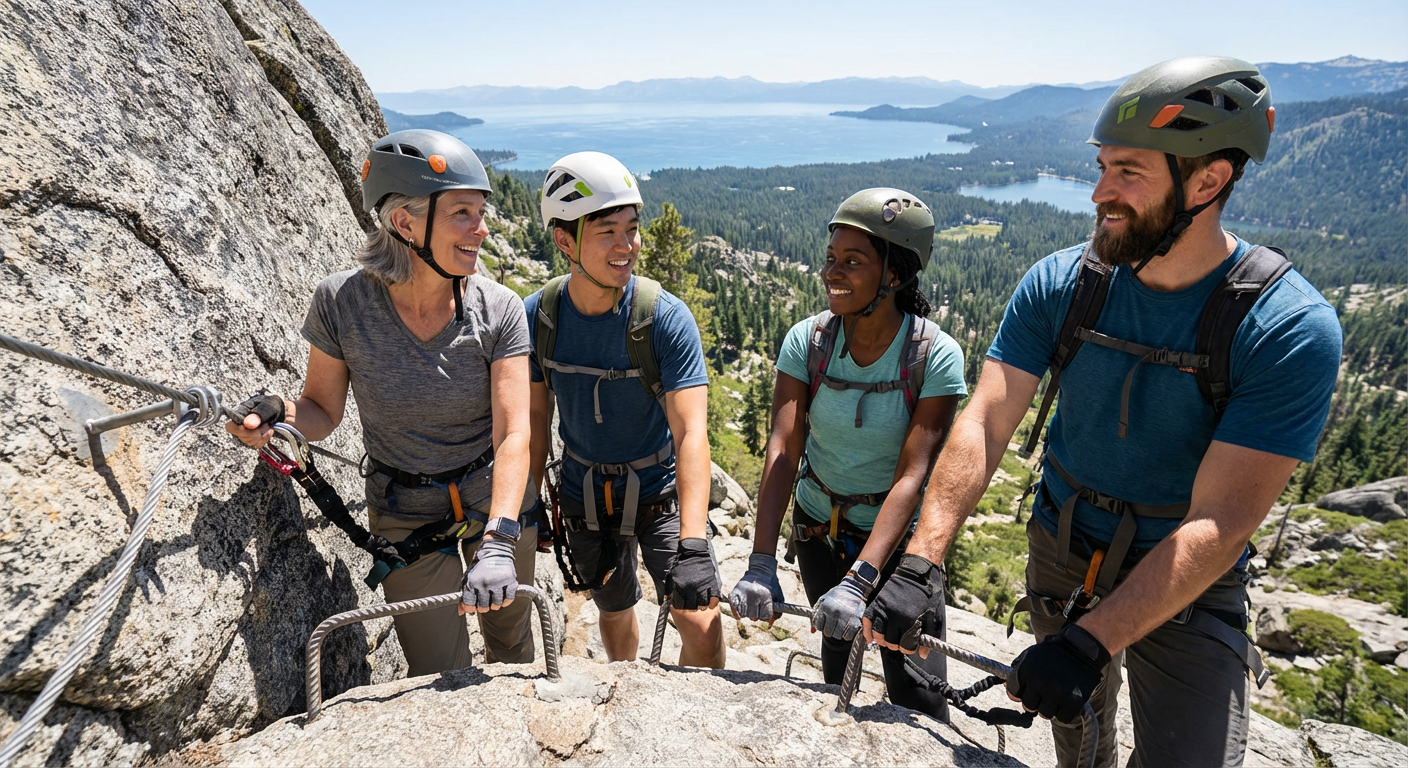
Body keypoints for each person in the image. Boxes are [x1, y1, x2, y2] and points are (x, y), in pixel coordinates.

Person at [864, 57, 1342, 766]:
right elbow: (988, 417)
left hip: (1187, 578)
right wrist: (922, 559)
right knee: (1081, 745)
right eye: (1101, 166)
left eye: (1129, 173)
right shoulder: (1063, 284)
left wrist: (1089, 642)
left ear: (1208, 181)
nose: (1099, 193)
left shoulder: (1284, 327)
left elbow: (1220, 520)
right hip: (1063, 551)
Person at [227, 130, 540, 677]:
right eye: (462, 213)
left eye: (481, 212)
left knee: (512, 648)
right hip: (406, 518)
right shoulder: (342, 302)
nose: (482, 229)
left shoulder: (499, 309)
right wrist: (279, 411)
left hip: (499, 503)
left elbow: (514, 434)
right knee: (439, 671)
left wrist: (499, 538)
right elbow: (321, 409)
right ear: (405, 223)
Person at [730, 188, 966, 718]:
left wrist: (861, 579)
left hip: (900, 549)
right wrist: (761, 561)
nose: (833, 272)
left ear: (895, 274)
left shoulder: (933, 356)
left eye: (853, 262)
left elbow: (914, 475)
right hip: (820, 534)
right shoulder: (808, 341)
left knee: (919, 694)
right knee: (839, 678)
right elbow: (784, 450)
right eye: (831, 259)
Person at [526, 151, 725, 667]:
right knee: (613, 609)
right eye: (607, 231)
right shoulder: (539, 318)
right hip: (584, 495)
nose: (627, 245)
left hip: (659, 491)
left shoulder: (664, 319)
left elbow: (691, 434)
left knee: (701, 620)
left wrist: (695, 544)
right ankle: (626, 691)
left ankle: (696, 729)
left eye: (632, 229)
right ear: (564, 241)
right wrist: (527, 503)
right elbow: (531, 424)